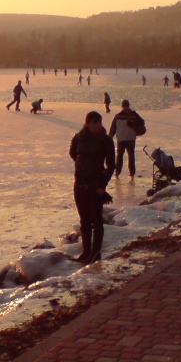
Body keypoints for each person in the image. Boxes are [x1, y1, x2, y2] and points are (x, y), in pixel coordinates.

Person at [69, 111, 115, 264]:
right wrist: (83, 165)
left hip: (96, 184)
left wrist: (102, 185)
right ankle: (86, 251)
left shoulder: (106, 140)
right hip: (80, 183)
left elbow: (111, 165)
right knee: (84, 220)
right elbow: (73, 153)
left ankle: (96, 253)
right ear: (87, 123)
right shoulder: (79, 137)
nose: (98, 125)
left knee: (96, 220)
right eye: (95, 122)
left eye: (100, 122)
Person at [108, 99, 144, 178]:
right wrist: (110, 137)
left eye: (126, 106)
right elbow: (113, 127)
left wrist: (134, 121)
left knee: (131, 156)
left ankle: (132, 172)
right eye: (124, 106)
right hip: (121, 139)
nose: (126, 108)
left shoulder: (134, 115)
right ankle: (118, 172)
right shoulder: (118, 116)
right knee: (120, 156)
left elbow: (142, 122)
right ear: (122, 107)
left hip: (131, 139)